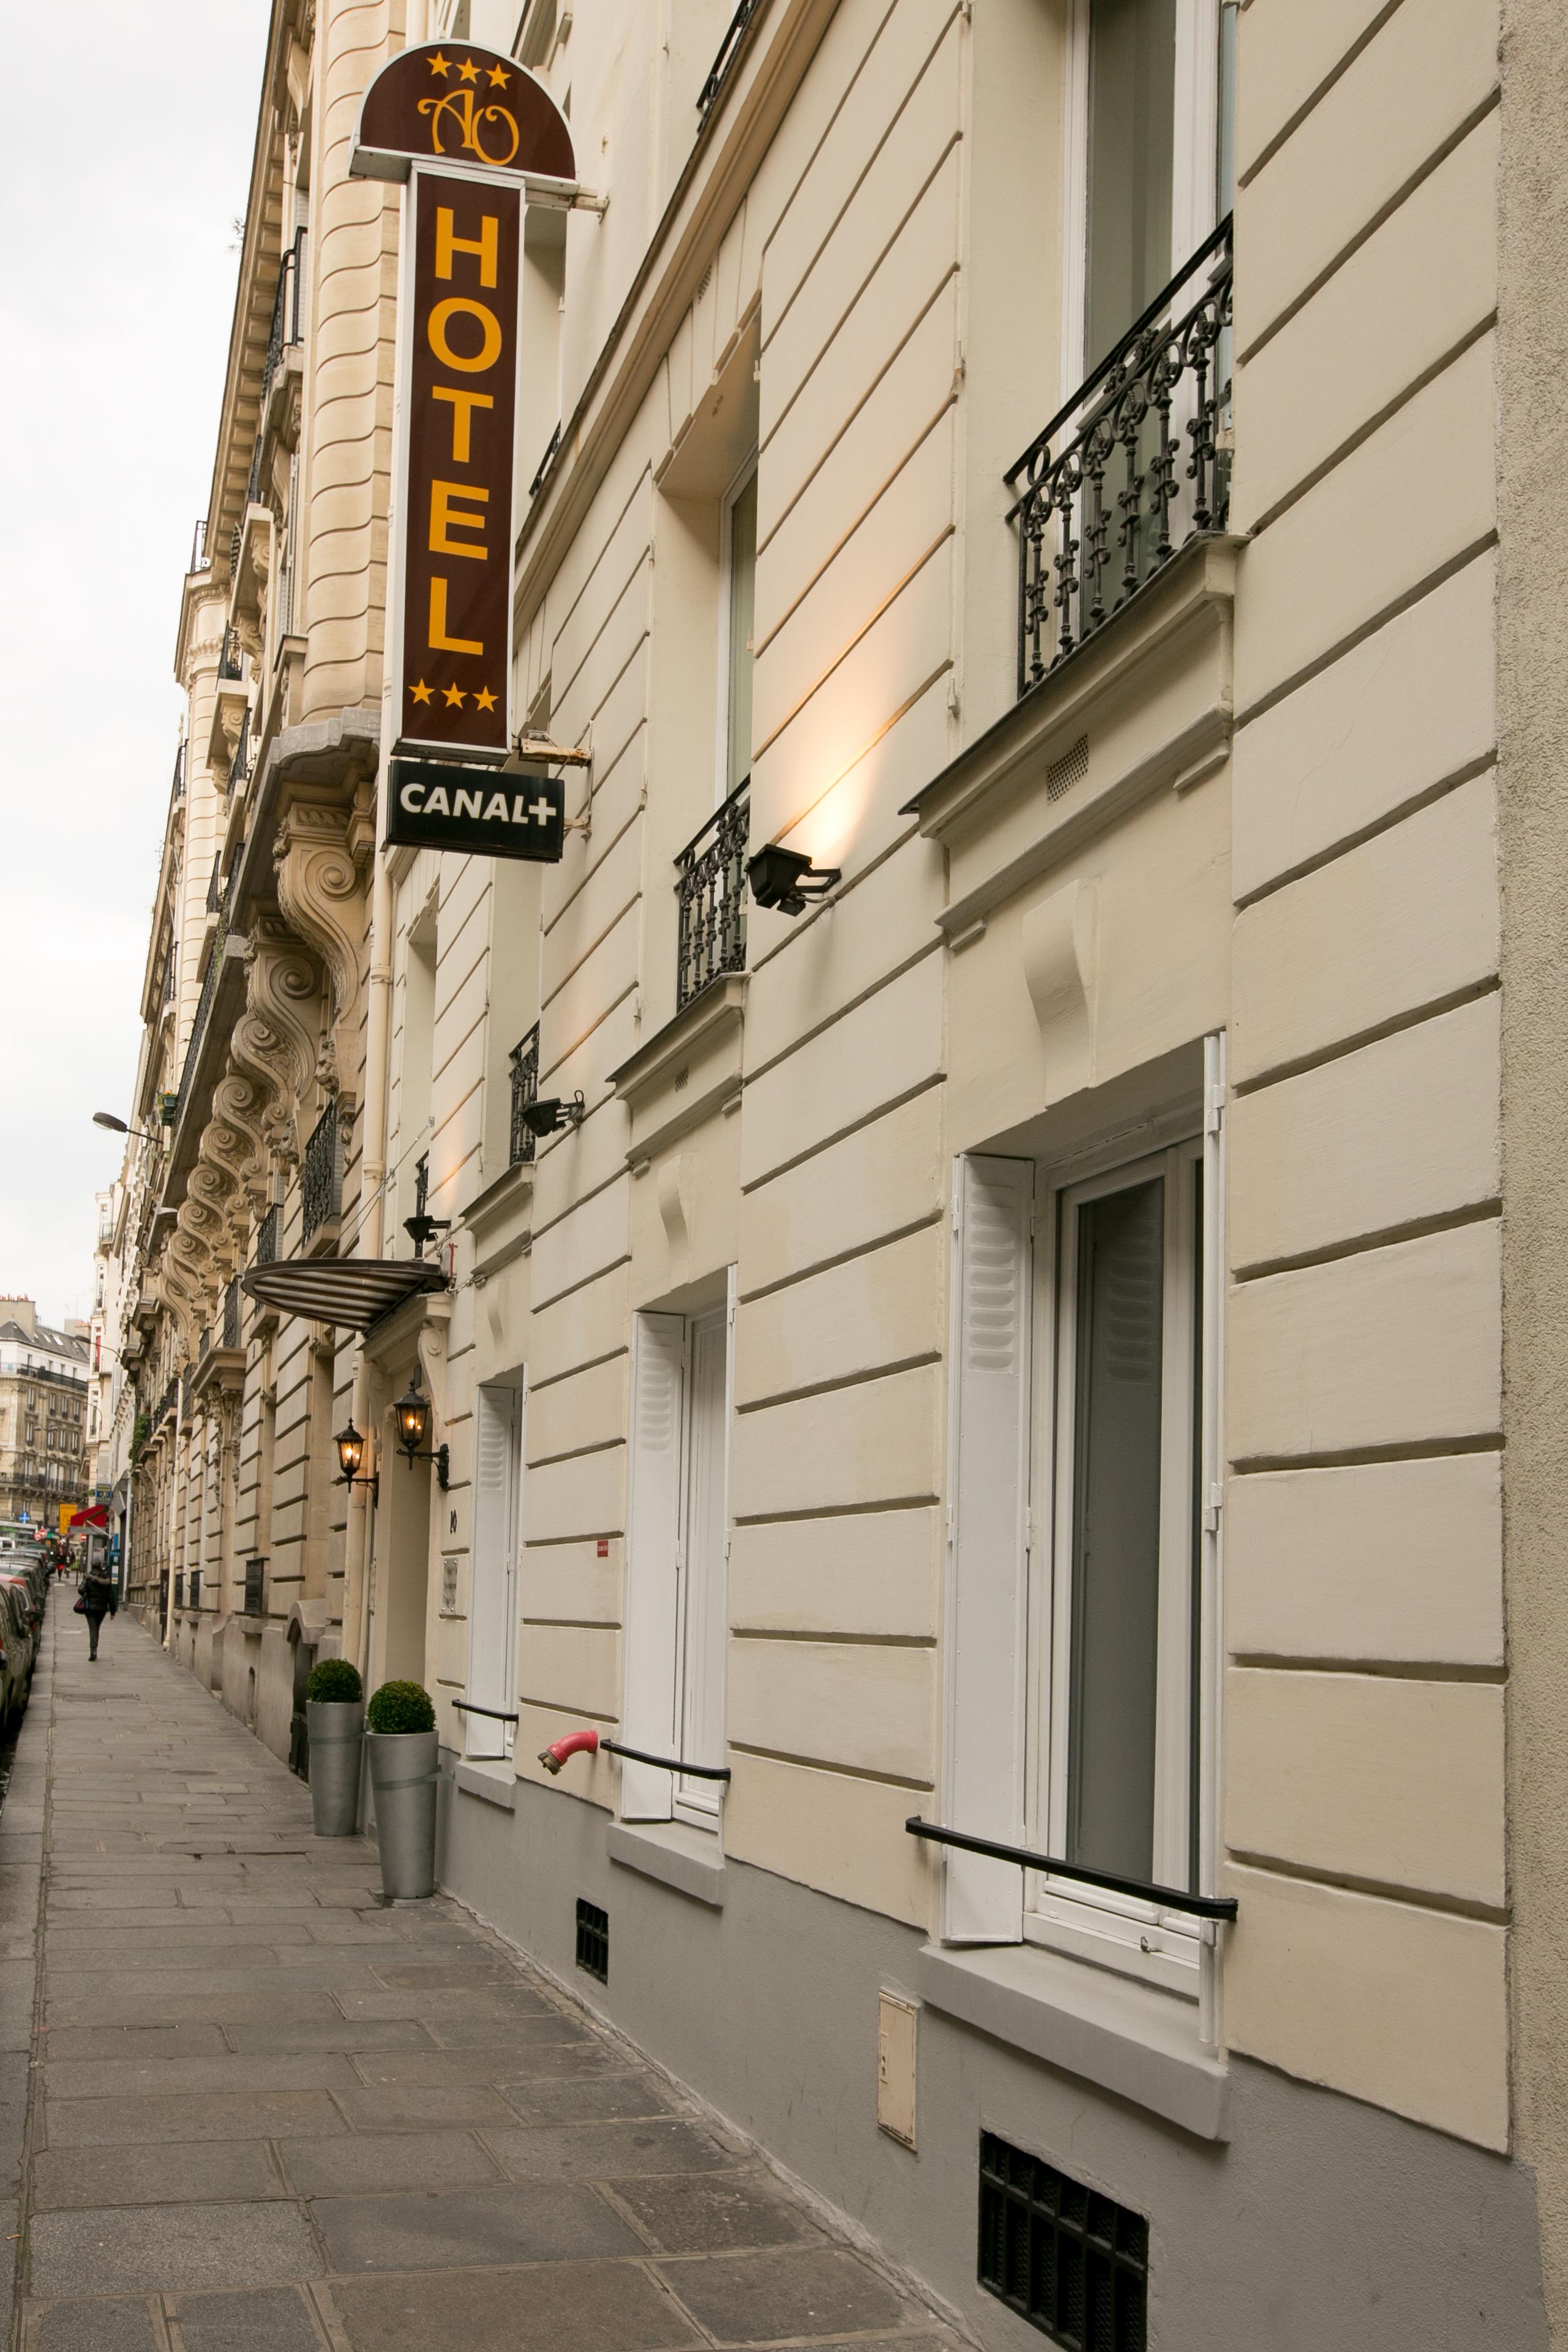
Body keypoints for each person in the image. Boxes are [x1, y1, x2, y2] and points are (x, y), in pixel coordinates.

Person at [77, 1562, 117, 1661]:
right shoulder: (105, 1579)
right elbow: (111, 1596)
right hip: (102, 1609)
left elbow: (81, 1590)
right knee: (97, 1627)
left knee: (92, 1628)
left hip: (90, 1608)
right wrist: (113, 1612)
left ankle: (93, 1651)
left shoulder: (88, 1577)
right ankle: (95, 1649)